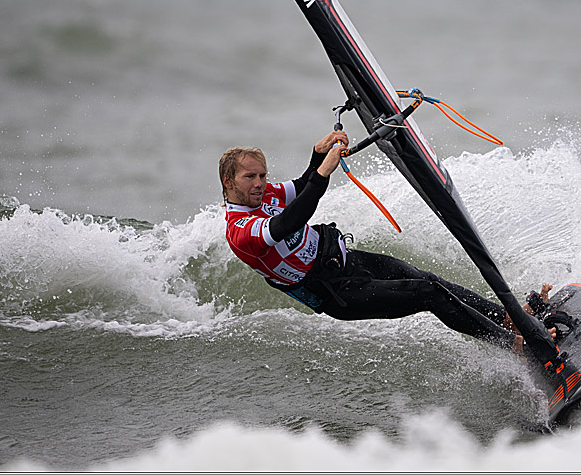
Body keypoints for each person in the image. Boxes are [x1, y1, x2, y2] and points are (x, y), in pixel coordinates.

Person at [219, 130, 520, 350]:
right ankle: (515, 347)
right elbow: (290, 221)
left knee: (427, 279)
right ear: (229, 182)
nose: (260, 183)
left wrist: (317, 154)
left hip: (345, 261)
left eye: (262, 175)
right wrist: (324, 171)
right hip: (337, 292)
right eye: (250, 177)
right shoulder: (241, 229)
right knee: (429, 294)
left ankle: (510, 319)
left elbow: (301, 185)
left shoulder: (266, 194)